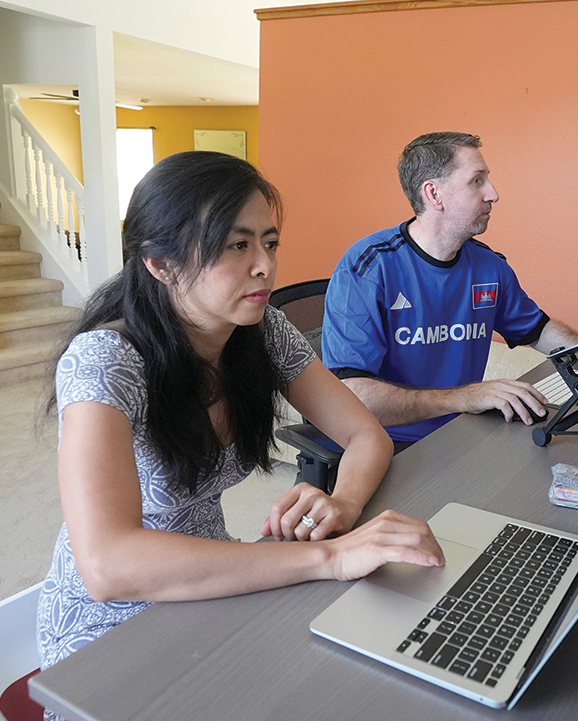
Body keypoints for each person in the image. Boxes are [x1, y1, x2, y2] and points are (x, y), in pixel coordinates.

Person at [37, 152, 444, 675]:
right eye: (237, 245)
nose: (265, 265)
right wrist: (331, 557)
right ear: (161, 264)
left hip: (217, 587)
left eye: (269, 243)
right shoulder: (106, 361)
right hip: (109, 634)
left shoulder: (262, 330)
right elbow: (107, 566)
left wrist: (342, 504)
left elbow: (367, 435)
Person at [321, 132, 578, 448]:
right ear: (434, 194)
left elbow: (536, 329)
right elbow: (350, 396)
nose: (493, 194)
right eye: (477, 181)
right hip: (386, 445)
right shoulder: (367, 267)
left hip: (464, 433)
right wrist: (464, 397)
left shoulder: (490, 266)